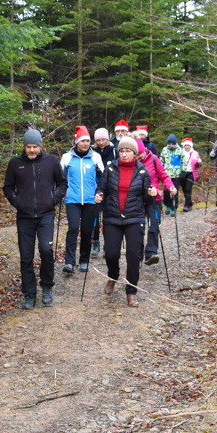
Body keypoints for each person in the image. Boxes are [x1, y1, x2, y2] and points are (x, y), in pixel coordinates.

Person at [3, 129, 67, 309]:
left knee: (46, 250)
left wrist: (53, 199)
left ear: (41, 146)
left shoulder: (51, 161)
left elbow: (62, 183)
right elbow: (8, 188)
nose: (32, 150)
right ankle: (29, 294)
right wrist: (18, 202)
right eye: (29, 147)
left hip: (46, 214)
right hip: (25, 217)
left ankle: (47, 287)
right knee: (26, 256)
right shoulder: (15, 164)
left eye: (35, 147)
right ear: (24, 147)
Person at [94, 136, 156, 307]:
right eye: (121, 150)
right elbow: (102, 187)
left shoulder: (143, 171)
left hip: (134, 218)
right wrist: (99, 194)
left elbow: (146, 197)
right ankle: (113, 276)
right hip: (112, 217)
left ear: (135, 153)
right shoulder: (111, 168)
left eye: (128, 151)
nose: (124, 154)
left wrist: (151, 194)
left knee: (133, 256)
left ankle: (131, 291)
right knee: (111, 254)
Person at [60, 125, 104, 274]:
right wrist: (60, 194)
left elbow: (103, 179)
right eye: (82, 141)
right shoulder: (67, 158)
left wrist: (99, 193)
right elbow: (61, 179)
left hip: (91, 200)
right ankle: (69, 262)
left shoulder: (95, 157)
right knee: (72, 229)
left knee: (86, 231)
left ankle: (84, 260)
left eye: (87, 141)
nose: (85, 143)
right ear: (76, 141)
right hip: (72, 199)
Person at [137, 139, 175, 265]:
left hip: (154, 198)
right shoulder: (130, 163)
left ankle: (151, 253)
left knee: (154, 224)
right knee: (138, 228)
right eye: (136, 154)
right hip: (137, 200)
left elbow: (163, 176)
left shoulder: (153, 159)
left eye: (140, 153)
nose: (139, 156)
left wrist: (170, 187)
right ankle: (137, 254)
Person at [91, 128, 117, 256]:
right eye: (98, 140)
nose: (101, 142)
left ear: (107, 139)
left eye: (103, 139)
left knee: (108, 217)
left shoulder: (114, 151)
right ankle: (95, 242)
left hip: (110, 187)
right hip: (95, 186)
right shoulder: (92, 151)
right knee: (95, 215)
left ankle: (108, 244)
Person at [159, 134, 183, 216]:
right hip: (166, 175)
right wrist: (160, 171)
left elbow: (184, 161)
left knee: (174, 192)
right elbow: (160, 161)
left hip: (176, 175)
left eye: (173, 144)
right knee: (166, 192)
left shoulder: (180, 150)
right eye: (170, 144)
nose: (171, 145)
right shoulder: (164, 150)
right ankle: (168, 205)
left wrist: (183, 172)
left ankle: (174, 208)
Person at [178, 138, 202, 212]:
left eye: (188, 145)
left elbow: (199, 165)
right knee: (185, 190)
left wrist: (199, 162)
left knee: (188, 189)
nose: (187, 147)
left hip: (191, 173)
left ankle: (187, 205)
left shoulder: (195, 153)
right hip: (182, 173)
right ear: (184, 146)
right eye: (185, 145)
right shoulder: (180, 152)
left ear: (191, 146)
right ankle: (189, 204)